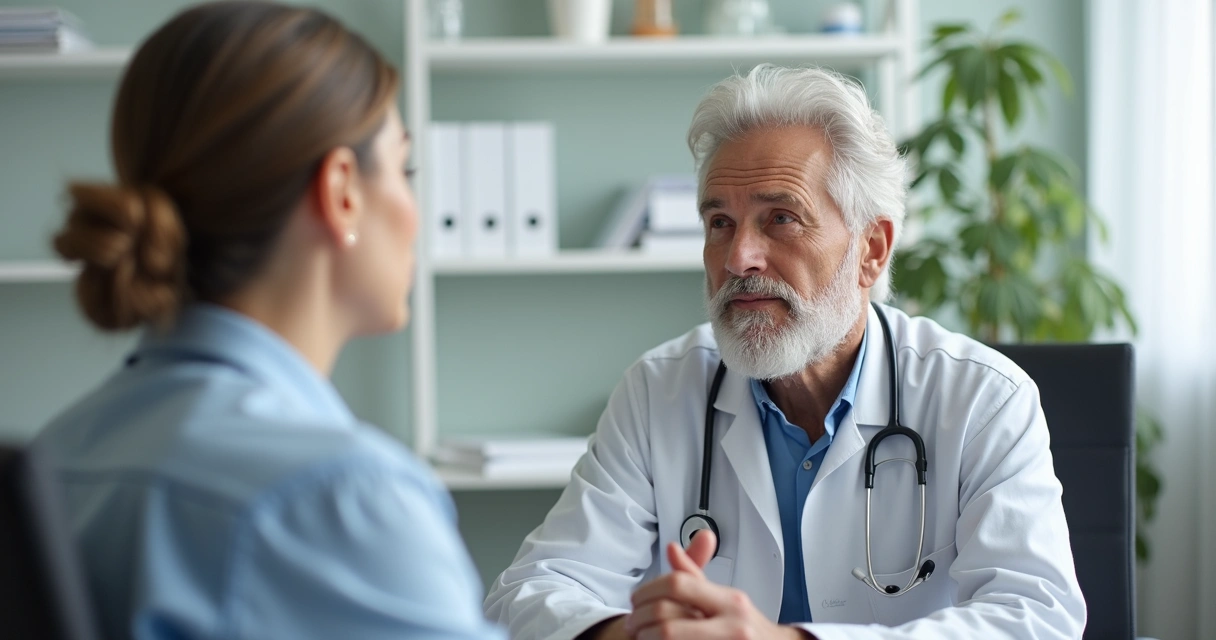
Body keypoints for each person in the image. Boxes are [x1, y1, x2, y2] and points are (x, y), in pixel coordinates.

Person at [483, 65, 1087, 640]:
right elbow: (528, 592)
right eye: (719, 222)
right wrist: (630, 632)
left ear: (872, 250)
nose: (739, 257)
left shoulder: (982, 399)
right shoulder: (659, 392)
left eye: (780, 218)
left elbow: (1036, 618)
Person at [33, 2, 503, 638]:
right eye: (404, 168)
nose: (416, 207)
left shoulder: (57, 457)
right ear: (341, 192)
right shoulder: (344, 496)